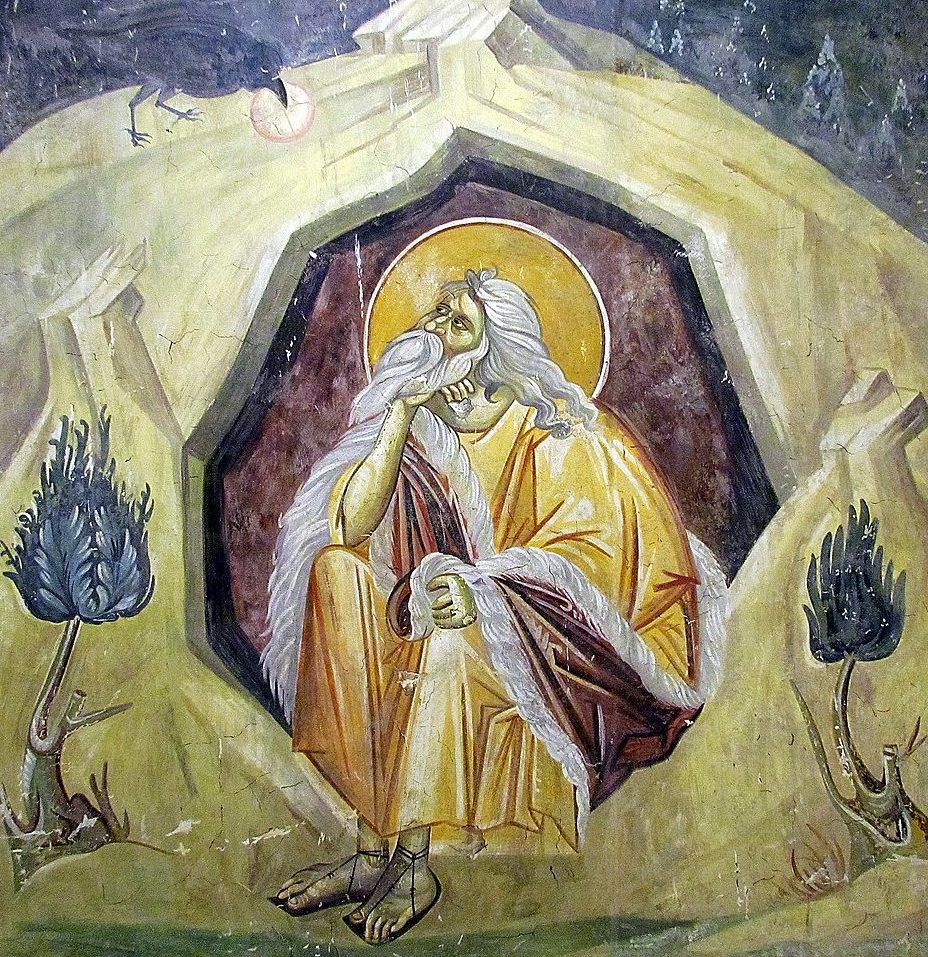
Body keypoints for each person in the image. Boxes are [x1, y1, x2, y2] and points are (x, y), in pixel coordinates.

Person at [264, 268, 727, 945]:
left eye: (457, 323)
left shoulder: (558, 429)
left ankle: (414, 866)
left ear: (497, 343)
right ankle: (371, 851)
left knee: (449, 636)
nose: (432, 332)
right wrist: (400, 410)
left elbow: (593, 570)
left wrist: (484, 592)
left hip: (548, 655)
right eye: (435, 315)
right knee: (335, 574)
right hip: (432, 612)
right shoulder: (423, 428)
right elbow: (349, 526)